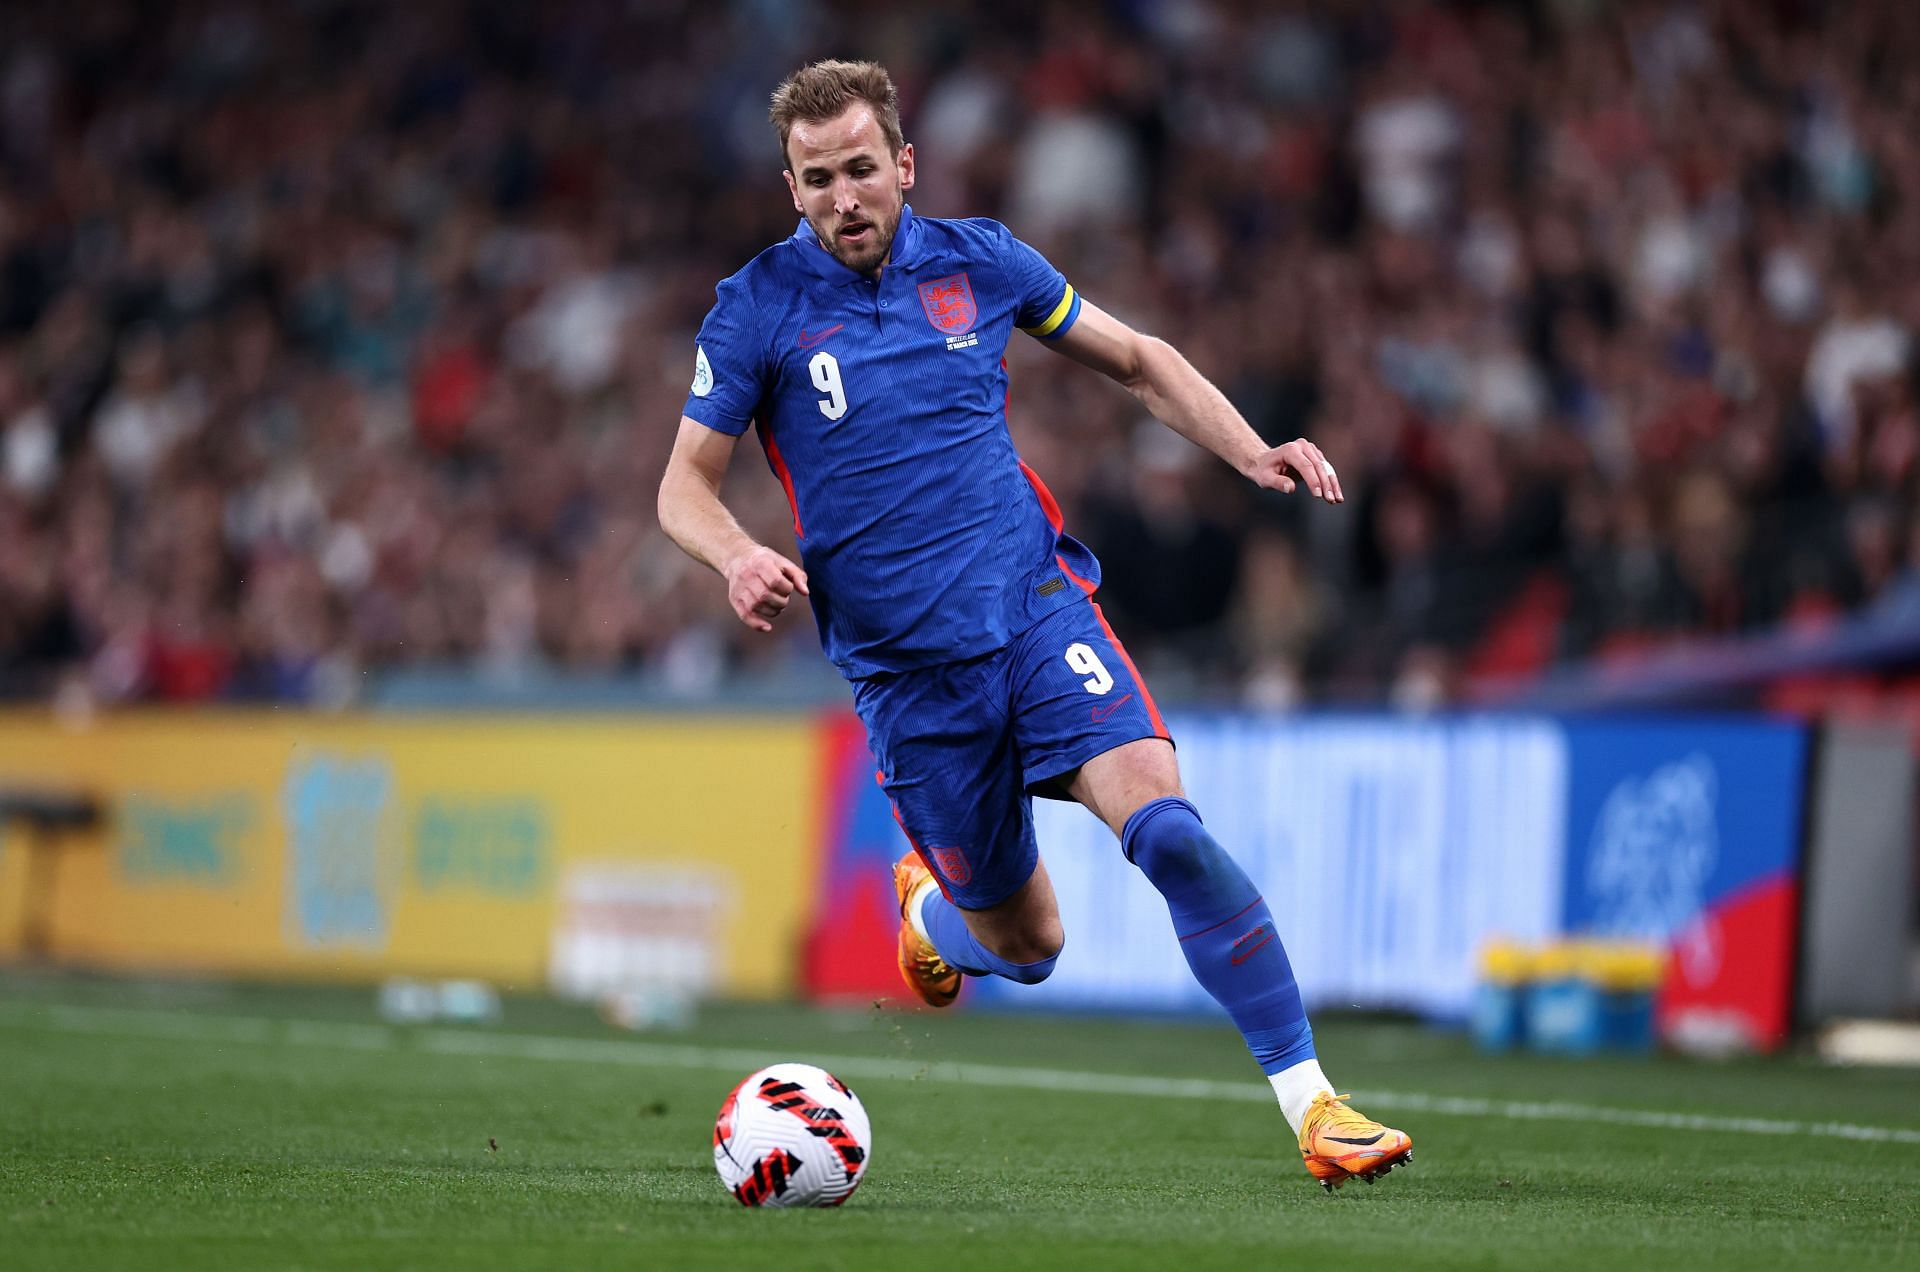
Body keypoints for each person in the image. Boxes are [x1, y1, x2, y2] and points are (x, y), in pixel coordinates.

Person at [657, 59, 1412, 1191]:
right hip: (910, 681)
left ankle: (1316, 1107)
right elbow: (682, 487)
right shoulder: (757, 306)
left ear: (905, 165)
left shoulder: (980, 261)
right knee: (1028, 946)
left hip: (1034, 613)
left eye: (863, 168)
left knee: (1167, 830)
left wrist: (1251, 448)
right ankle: (934, 915)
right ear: (792, 187)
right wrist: (739, 554)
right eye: (819, 180)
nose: (845, 196)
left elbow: (1140, 361)